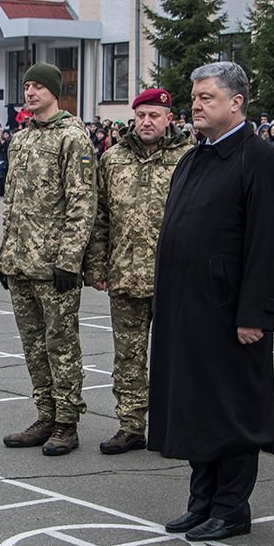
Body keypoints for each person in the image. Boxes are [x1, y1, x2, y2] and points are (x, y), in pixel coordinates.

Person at [148, 62, 274, 541]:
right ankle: (202, 499)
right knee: (196, 406)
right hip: (186, 310)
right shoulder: (194, 158)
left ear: (237, 102)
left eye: (207, 97)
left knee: (230, 409)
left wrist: (255, 314)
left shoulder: (259, 159)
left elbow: (267, 245)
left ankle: (232, 507)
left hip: (230, 312)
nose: (196, 105)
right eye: (195, 97)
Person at [83, 88, 191, 454]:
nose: (146, 122)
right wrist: (97, 265)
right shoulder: (113, 159)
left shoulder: (188, 158)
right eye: (141, 116)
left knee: (175, 358)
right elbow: (101, 219)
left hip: (173, 280)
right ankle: (131, 425)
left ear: (169, 119)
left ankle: (174, 426)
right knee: (127, 357)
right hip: (125, 275)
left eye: (154, 116)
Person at [0, 62, 96, 456]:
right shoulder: (20, 140)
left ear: (56, 92)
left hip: (54, 266)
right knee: (33, 345)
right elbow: (12, 205)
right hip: (20, 261)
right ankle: (45, 413)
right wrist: (5, 255)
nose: (30, 92)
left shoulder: (72, 138)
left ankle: (66, 422)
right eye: (27, 86)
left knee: (61, 344)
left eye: (38, 86)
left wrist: (70, 260)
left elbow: (82, 202)